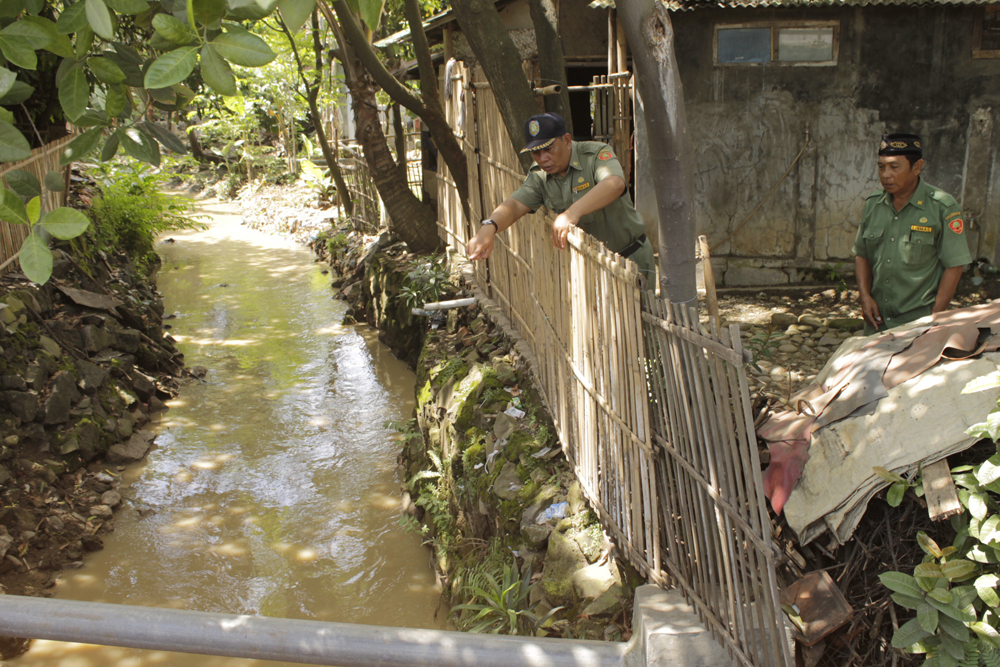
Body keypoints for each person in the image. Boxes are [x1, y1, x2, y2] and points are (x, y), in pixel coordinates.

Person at [465, 112, 655, 279]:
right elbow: (515, 204)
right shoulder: (540, 175)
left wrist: (571, 213)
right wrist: (489, 227)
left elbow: (615, 184)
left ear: (566, 140)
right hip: (591, 267)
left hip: (630, 261)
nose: (543, 158)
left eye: (548, 149)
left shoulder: (595, 155)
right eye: (536, 153)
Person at [853, 133, 971, 335]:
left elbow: (955, 265)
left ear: (917, 167)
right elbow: (862, 254)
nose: (885, 174)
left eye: (894, 167)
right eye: (881, 167)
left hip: (918, 321)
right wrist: (865, 296)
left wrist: (936, 314)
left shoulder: (942, 207)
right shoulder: (873, 204)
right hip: (877, 320)